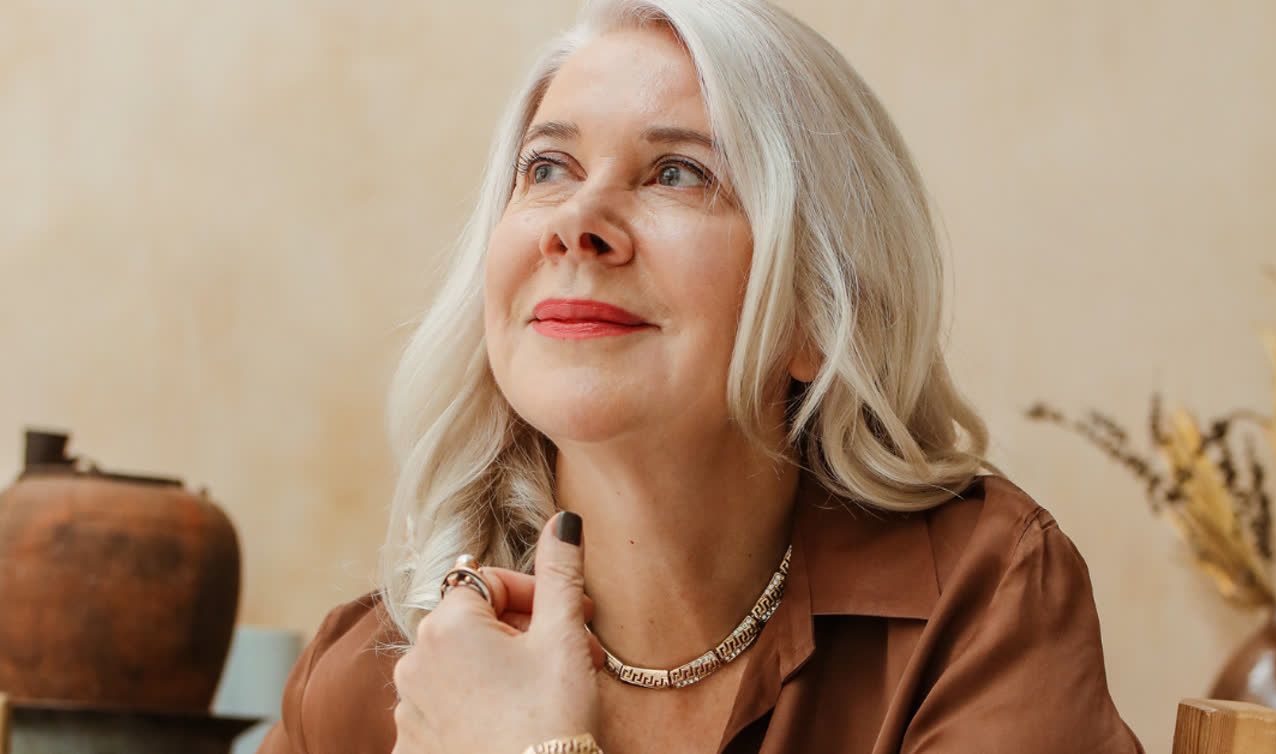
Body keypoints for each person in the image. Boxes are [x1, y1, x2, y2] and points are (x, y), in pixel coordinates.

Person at [257, 0, 1143, 752]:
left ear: (818, 310)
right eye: (548, 168)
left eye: (677, 174)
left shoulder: (984, 600)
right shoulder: (365, 683)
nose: (576, 222)